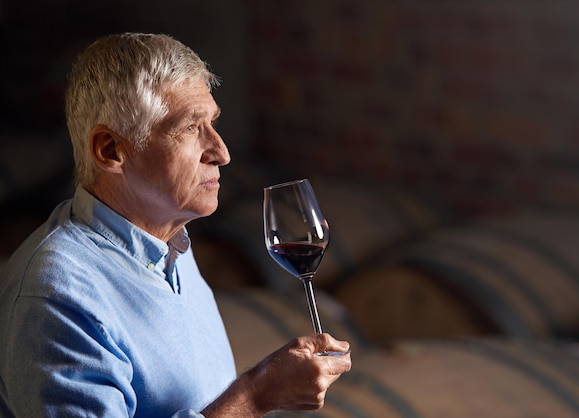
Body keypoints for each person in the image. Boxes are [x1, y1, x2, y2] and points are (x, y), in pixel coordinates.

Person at [0, 32, 351, 417]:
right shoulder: (56, 298)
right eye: (188, 127)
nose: (222, 152)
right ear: (111, 150)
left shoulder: (171, 244)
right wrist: (256, 396)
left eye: (213, 123)